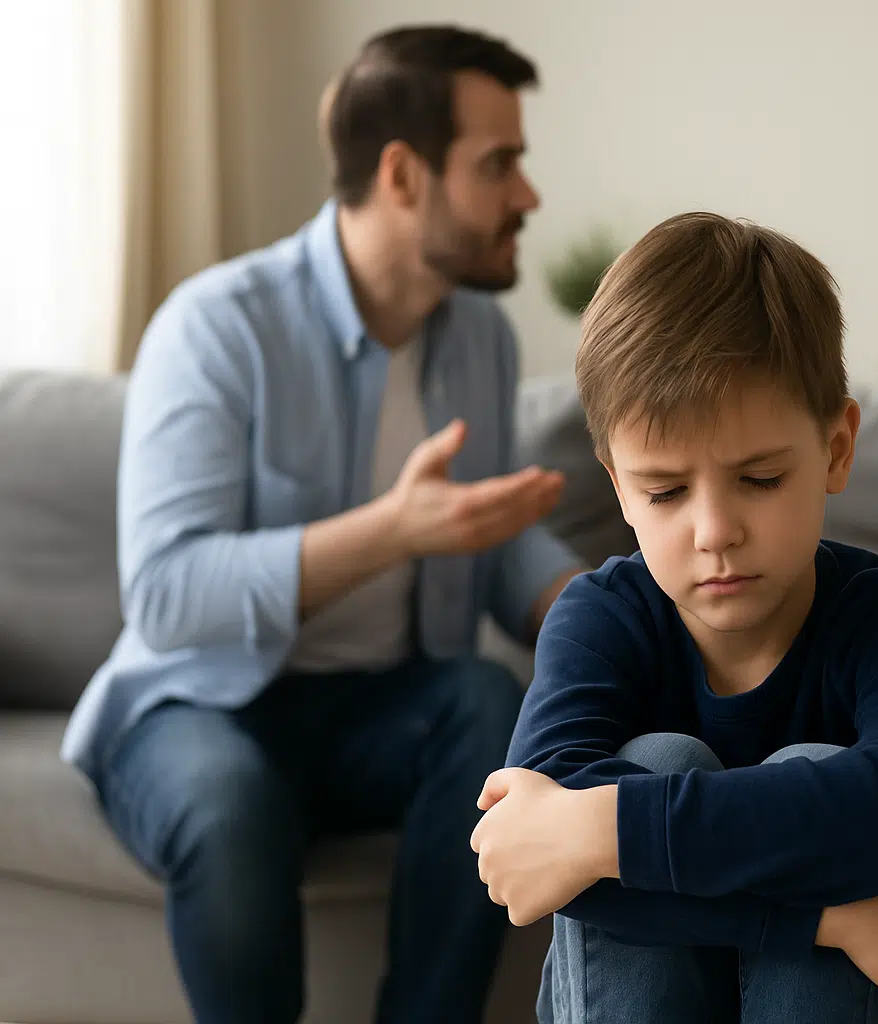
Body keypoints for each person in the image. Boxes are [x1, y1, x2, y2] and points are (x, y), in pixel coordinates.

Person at [59, 24, 585, 1024]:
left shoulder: (481, 335)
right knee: (228, 801)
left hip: (378, 710)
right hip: (198, 705)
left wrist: (601, 608)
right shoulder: (217, 327)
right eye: (500, 164)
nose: (528, 195)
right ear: (401, 174)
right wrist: (392, 529)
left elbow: (484, 528)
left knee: (486, 700)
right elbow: (167, 593)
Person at [469, 212, 878, 1022]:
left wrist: (601, 830)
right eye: (666, 492)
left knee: (807, 765)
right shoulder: (598, 619)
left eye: (760, 479)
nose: (714, 532)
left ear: (836, 449)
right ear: (616, 486)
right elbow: (532, 864)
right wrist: (830, 921)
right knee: (661, 758)